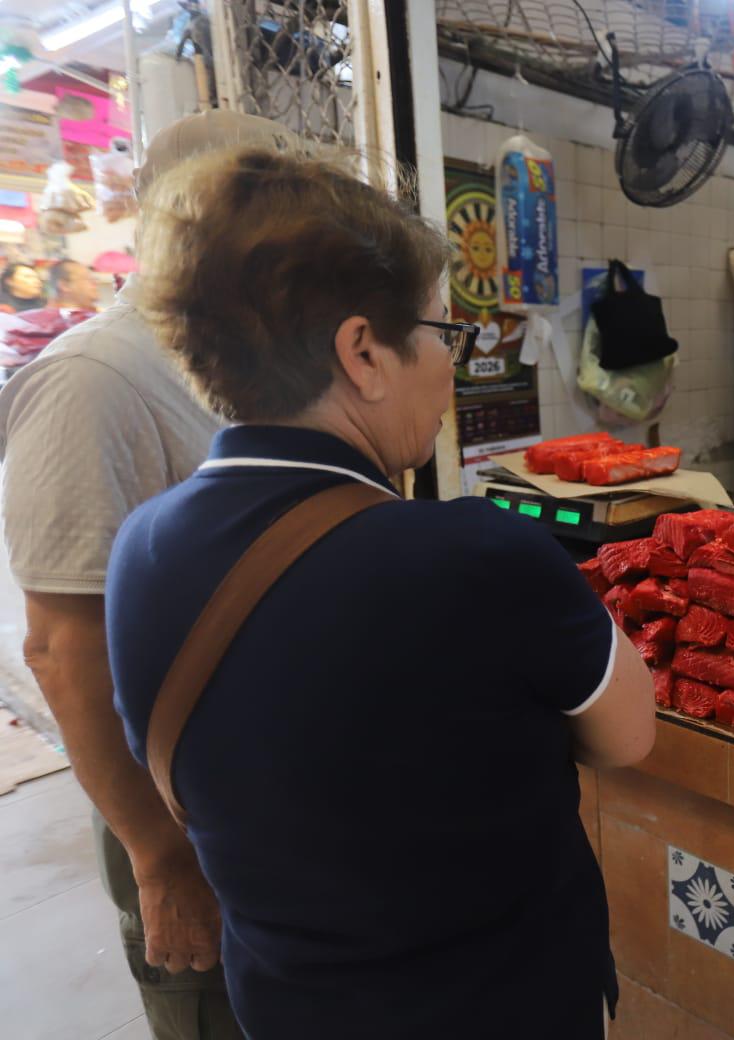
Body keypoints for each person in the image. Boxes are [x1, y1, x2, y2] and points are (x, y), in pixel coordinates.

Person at [105, 146, 655, 1039]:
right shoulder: (480, 556)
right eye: (444, 333)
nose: (448, 370)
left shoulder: (139, 551)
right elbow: (630, 736)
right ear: (363, 352)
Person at [0, 111, 304, 1040]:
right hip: (182, 815)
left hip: (279, 794)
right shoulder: (96, 378)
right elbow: (61, 648)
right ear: (175, 214)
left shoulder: (242, 369)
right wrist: (158, 854)